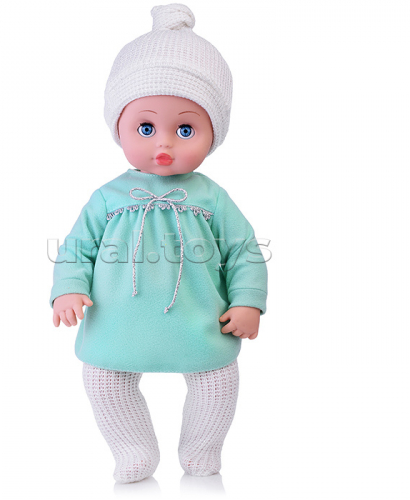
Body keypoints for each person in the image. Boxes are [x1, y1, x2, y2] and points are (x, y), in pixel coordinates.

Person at [49, 3, 268, 484]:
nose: (163, 144)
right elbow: (76, 248)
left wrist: (248, 301)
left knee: (218, 382)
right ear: (119, 128)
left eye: (185, 129)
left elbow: (244, 251)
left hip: (200, 323)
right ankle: (133, 449)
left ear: (214, 134)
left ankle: (201, 450)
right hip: (116, 325)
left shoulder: (211, 197)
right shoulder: (108, 198)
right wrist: (68, 288)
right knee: (103, 379)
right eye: (145, 128)